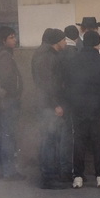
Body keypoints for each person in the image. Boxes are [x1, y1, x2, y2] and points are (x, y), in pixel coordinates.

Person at [67, 30, 100, 188]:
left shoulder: (73, 60)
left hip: (78, 107)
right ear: (97, 43)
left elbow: (68, 85)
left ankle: (78, 176)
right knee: (98, 142)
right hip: (97, 107)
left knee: (78, 141)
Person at [31, 28, 70, 189]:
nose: (65, 42)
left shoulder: (45, 55)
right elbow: (48, 84)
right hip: (48, 105)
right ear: (56, 42)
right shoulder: (47, 58)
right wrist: (56, 104)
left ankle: (50, 175)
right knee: (49, 140)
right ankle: (49, 177)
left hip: (45, 103)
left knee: (49, 139)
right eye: (63, 40)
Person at [0, 26, 24, 180]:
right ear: (3, 40)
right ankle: (9, 171)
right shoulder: (5, 56)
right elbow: (7, 79)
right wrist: (12, 93)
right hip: (6, 102)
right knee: (7, 135)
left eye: (14, 36)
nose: (14, 39)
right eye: (11, 37)